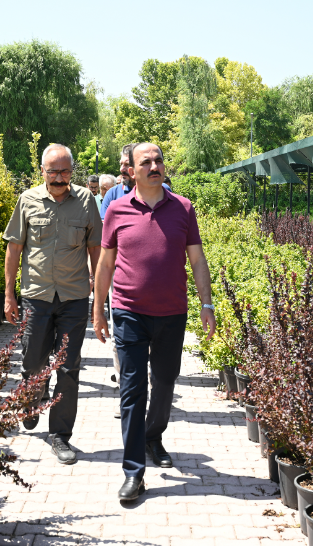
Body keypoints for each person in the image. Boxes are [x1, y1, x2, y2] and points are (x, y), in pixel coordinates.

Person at [93, 142, 216, 501]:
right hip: (129, 312)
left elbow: (197, 259)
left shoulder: (183, 208)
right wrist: (98, 308)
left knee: (164, 382)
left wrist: (206, 304)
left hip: (172, 313)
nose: (154, 165)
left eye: (158, 159)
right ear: (130, 170)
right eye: (145, 161)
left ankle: (153, 435)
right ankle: (134, 471)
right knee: (132, 391)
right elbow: (104, 264)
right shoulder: (116, 209)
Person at [3, 144, 102, 465]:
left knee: (69, 367)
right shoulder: (27, 200)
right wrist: (8, 294)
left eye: (65, 172)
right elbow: (14, 249)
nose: (59, 178)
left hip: (73, 298)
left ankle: (60, 435)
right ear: (42, 171)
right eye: (52, 172)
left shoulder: (86, 202)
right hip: (36, 296)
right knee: (33, 361)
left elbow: (96, 251)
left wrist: (98, 296)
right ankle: (33, 397)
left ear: (72, 171)